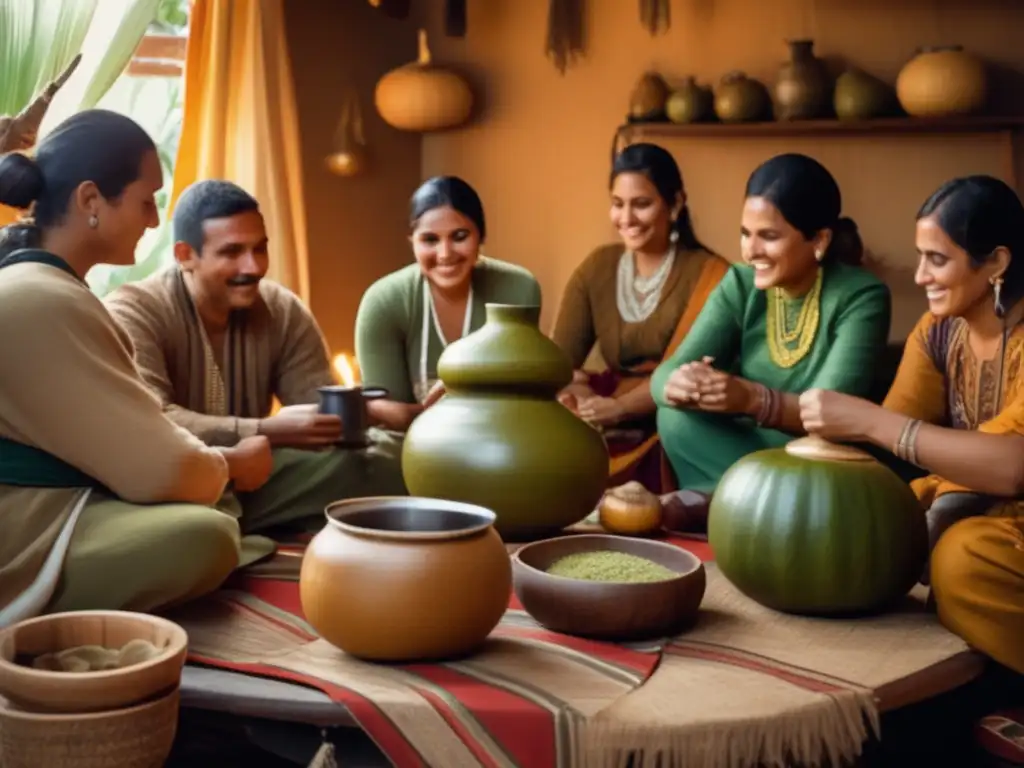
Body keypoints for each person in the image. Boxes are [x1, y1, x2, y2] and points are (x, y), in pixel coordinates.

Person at [0, 110, 272, 626]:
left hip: (48, 503)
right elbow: (163, 468)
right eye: (147, 201)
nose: (152, 219)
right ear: (90, 201)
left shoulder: (42, 286)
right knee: (205, 535)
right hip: (22, 532)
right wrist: (232, 463)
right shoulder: (39, 297)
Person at [799, 175, 1024, 675]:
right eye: (920, 257)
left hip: (1004, 535)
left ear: (997, 263)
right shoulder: (940, 330)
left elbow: (1013, 467)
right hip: (983, 515)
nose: (920, 275)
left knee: (962, 559)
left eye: (937, 259)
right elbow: (890, 440)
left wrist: (872, 421)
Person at [104, 180, 407, 547]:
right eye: (232, 252)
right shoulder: (134, 311)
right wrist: (264, 428)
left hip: (259, 476)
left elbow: (319, 421)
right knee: (178, 525)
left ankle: (257, 523)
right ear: (185, 255)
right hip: (169, 483)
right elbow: (152, 425)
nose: (253, 266)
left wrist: (366, 412)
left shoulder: (282, 309)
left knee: (389, 456)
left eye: (259, 249)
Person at [651, 153, 892, 529]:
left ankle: (726, 505)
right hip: (743, 447)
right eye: (745, 233)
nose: (751, 251)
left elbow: (829, 416)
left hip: (816, 457)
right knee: (673, 415)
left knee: (823, 458)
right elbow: (663, 375)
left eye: (769, 236)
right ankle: (744, 506)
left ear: (819, 239)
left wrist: (753, 400)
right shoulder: (740, 284)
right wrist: (679, 383)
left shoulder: (862, 296)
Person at [551, 143, 730, 492]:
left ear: (675, 203)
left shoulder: (711, 275)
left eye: (642, 204)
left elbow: (684, 373)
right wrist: (578, 396)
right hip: (603, 417)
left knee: (674, 426)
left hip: (674, 421)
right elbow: (558, 362)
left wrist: (619, 409)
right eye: (618, 204)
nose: (627, 218)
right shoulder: (597, 268)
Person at [355, 176, 541, 432]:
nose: (445, 254)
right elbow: (387, 420)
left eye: (460, 236)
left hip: (498, 438)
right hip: (405, 450)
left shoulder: (518, 290)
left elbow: (521, 400)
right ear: (413, 242)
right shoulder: (383, 303)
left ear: (481, 236)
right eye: (430, 240)